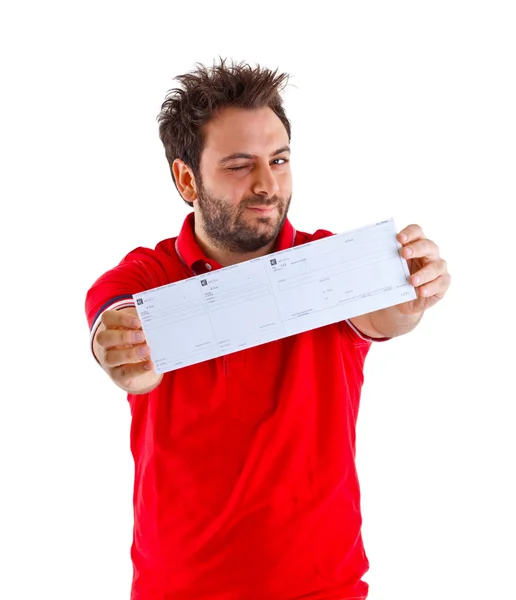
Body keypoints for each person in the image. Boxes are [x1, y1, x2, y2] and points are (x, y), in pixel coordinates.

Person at [85, 58, 451, 600]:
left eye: (278, 160)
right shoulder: (146, 277)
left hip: (324, 591)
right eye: (239, 166)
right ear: (187, 178)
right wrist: (119, 348)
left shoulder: (331, 264)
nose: (267, 184)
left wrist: (413, 289)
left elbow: (390, 314)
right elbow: (113, 324)